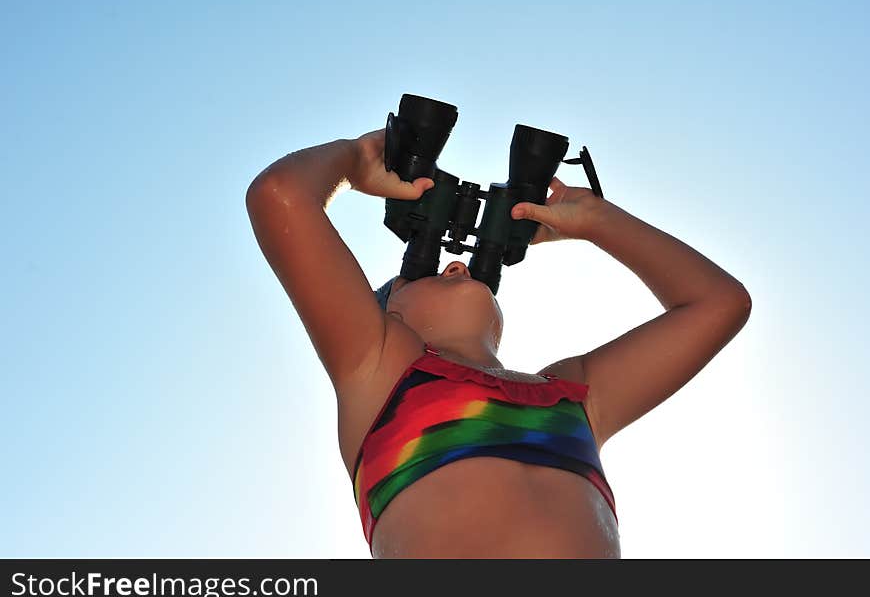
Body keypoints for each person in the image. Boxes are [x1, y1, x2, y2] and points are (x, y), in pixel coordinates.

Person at [245, 127, 752, 558]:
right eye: (419, 274)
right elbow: (280, 195)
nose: (458, 263)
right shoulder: (377, 364)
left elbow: (719, 304)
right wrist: (356, 160)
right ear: (389, 317)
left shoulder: (572, 393)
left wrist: (596, 219)